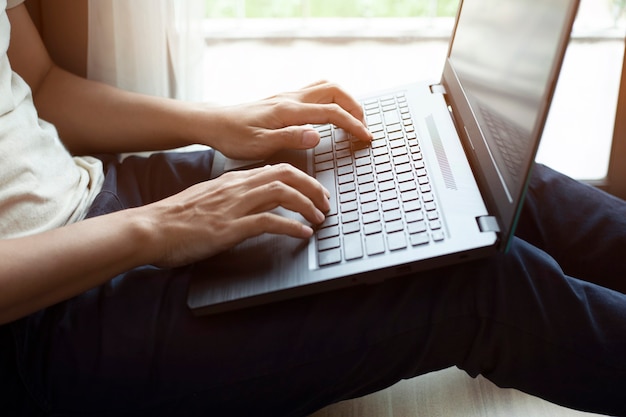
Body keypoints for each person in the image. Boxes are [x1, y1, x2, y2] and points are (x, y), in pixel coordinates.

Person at [1, 0, 625, 416]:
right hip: (38, 321)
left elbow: (43, 85)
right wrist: (158, 228)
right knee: (480, 283)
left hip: (103, 192)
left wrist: (220, 122)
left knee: (471, 177)